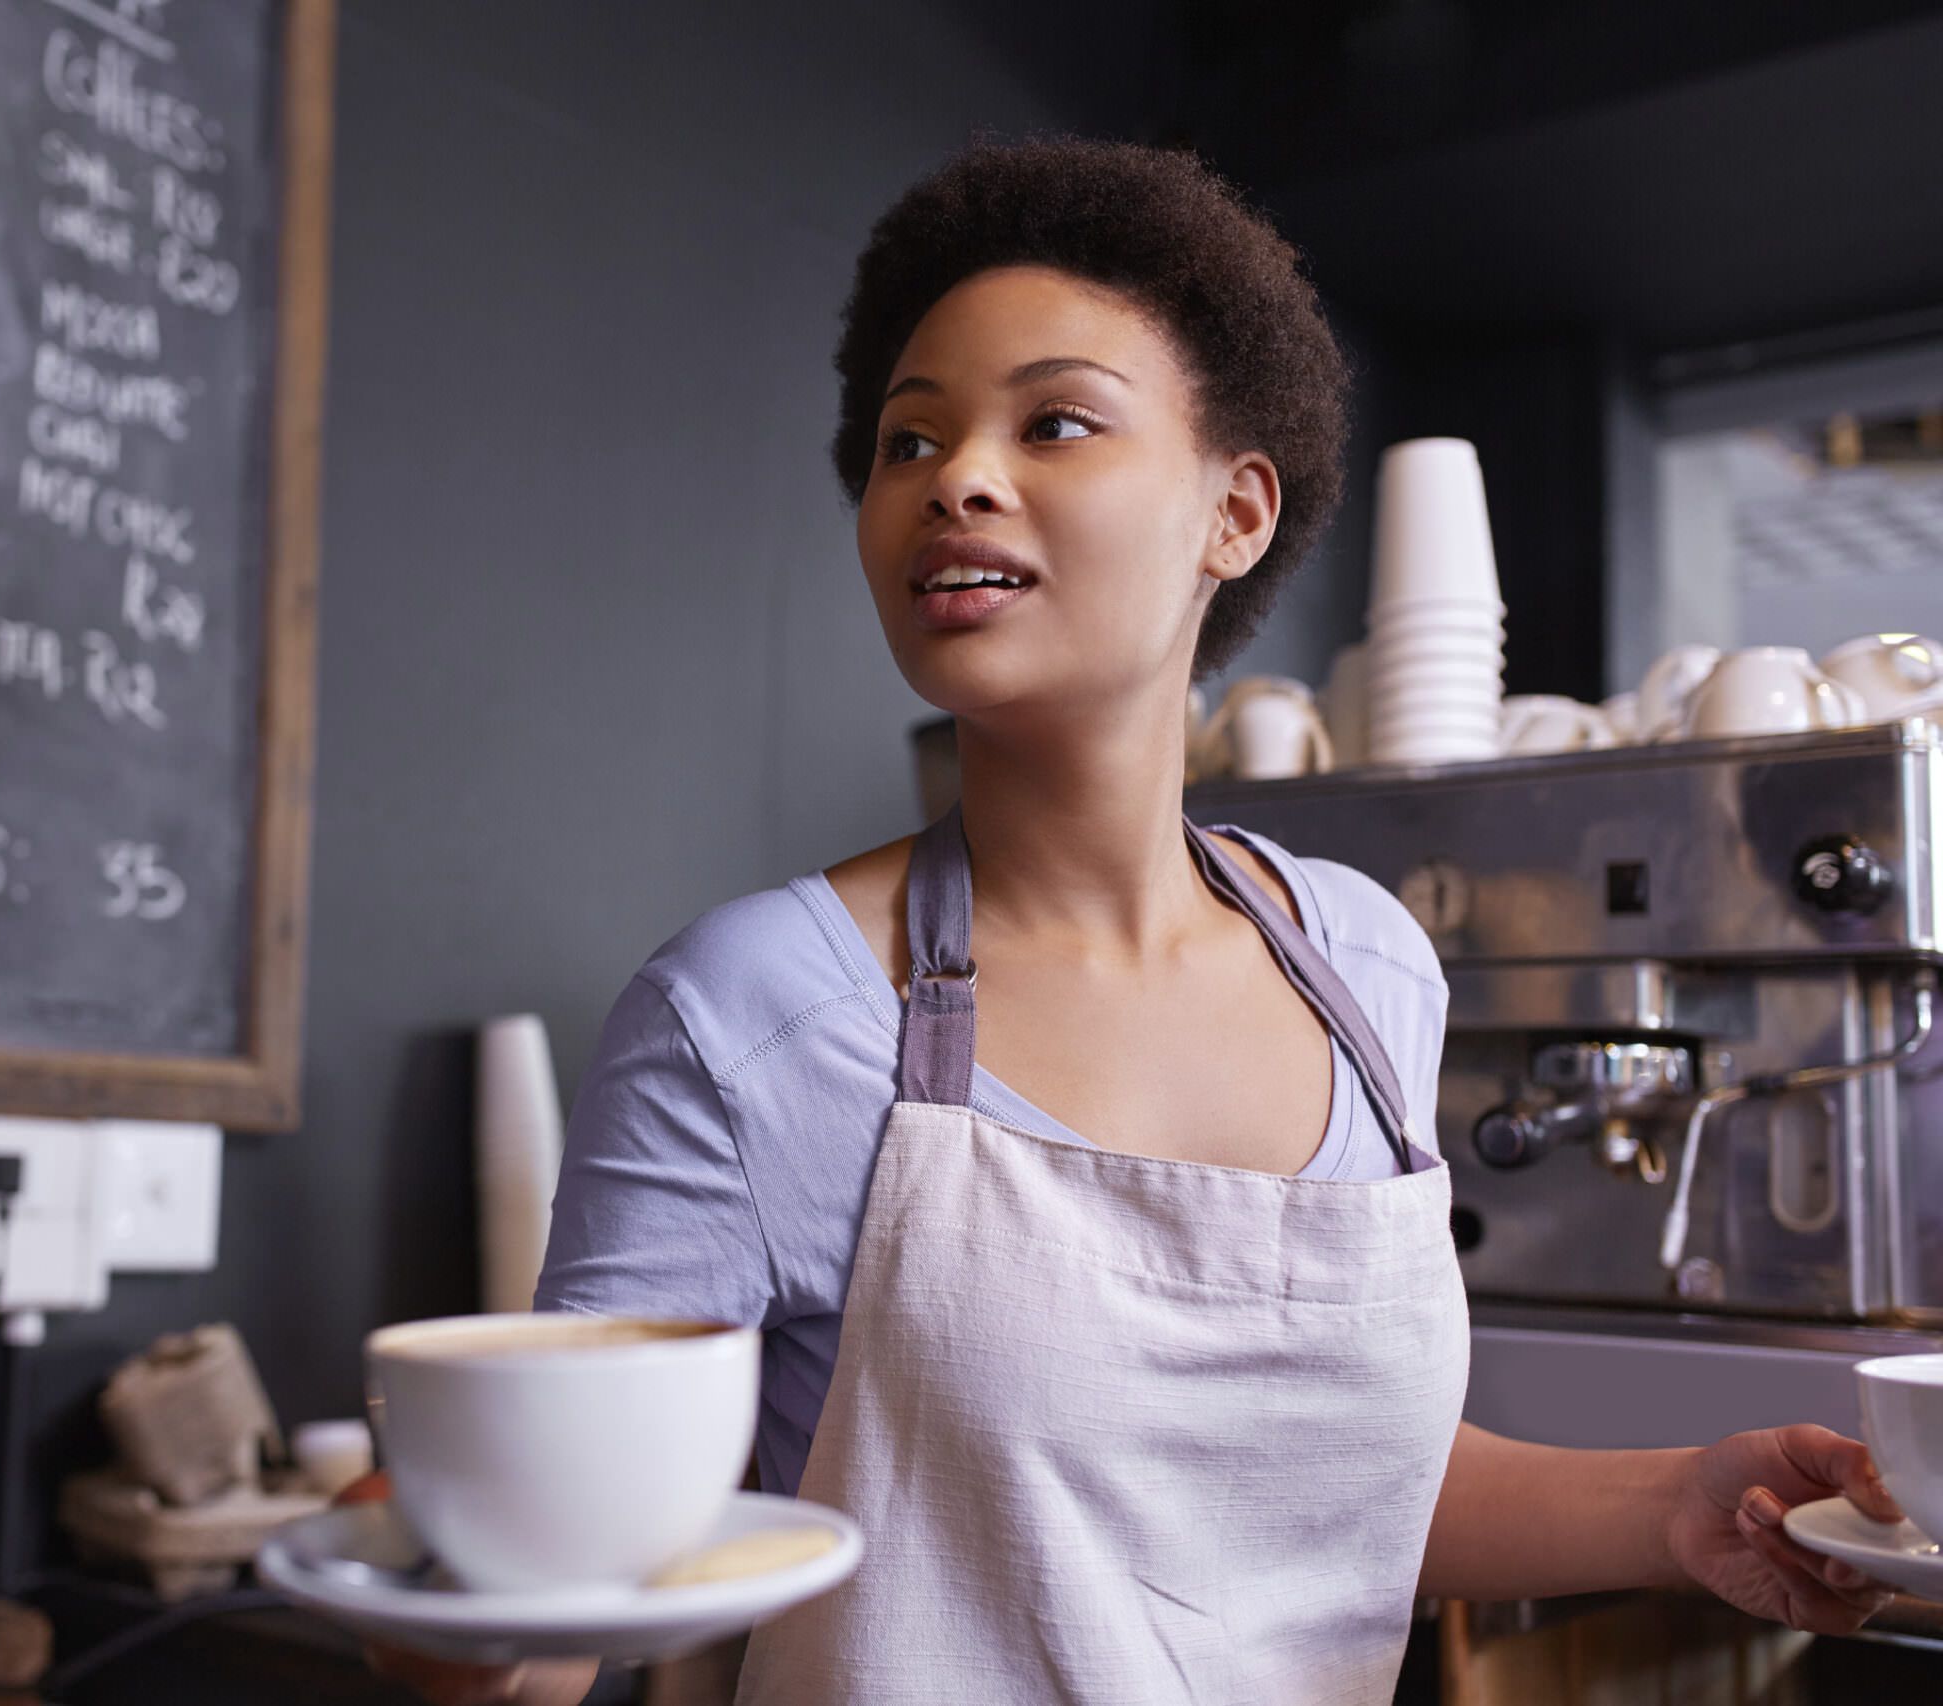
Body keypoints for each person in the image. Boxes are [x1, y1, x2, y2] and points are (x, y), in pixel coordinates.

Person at [355, 135, 1905, 1705]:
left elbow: (1334, 1494)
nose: (957, 475)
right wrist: (444, 1589)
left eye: (1058, 421)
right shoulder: (752, 1016)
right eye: (908, 440)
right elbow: (563, 1610)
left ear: (1234, 512)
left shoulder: (1364, 968)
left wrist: (1678, 1506)